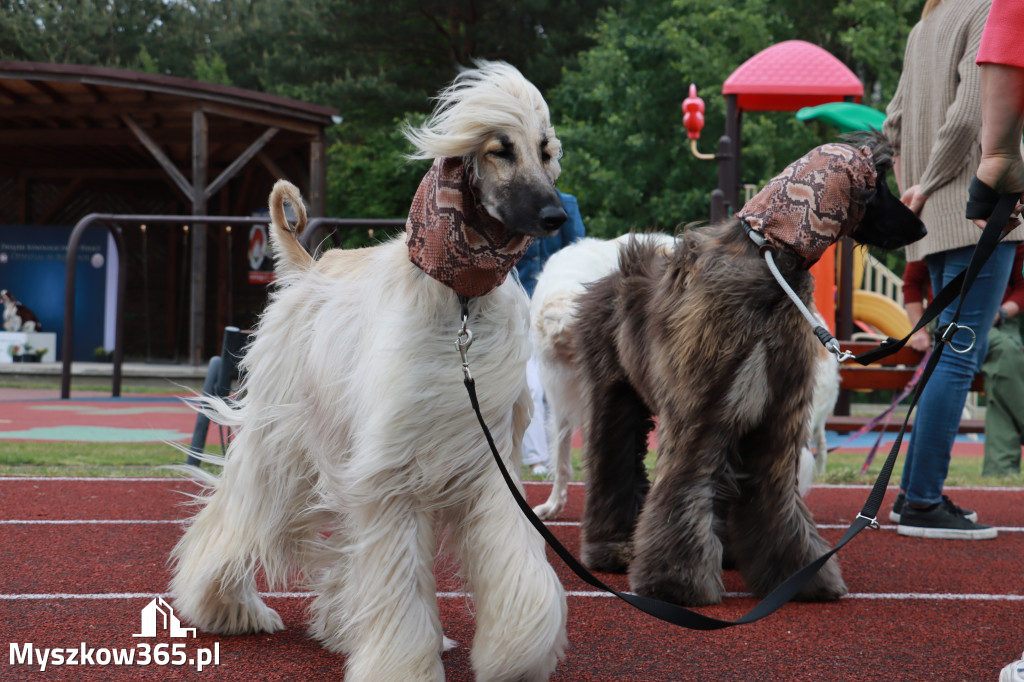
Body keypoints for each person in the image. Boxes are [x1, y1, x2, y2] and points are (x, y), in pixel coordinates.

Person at [883, 0, 1021, 540]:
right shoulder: (988, 10)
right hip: (977, 212)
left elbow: (893, 123)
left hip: (934, 220)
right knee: (959, 359)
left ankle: (918, 492)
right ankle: (921, 502)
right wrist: (931, 183)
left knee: (947, 355)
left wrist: (912, 191)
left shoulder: (927, 22)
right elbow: (971, 115)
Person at [902, 246, 1024, 478]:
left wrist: (999, 313)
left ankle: (1000, 472)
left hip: (998, 322)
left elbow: (1021, 286)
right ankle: (999, 471)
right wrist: (919, 330)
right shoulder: (936, 232)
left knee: (1002, 366)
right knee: (1004, 356)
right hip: (950, 322)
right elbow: (911, 284)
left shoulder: (1015, 234)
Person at [516, 191, 585, 475]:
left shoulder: (566, 203)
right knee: (530, 385)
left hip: (553, 308)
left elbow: (576, 252)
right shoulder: (513, 202)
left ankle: (550, 457)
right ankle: (536, 459)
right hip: (518, 304)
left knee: (551, 386)